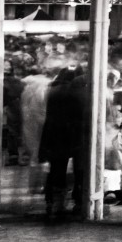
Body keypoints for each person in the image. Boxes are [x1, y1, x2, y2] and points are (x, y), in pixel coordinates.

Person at [41, 66, 91, 221]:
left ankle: (54, 203)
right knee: (81, 170)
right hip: (78, 136)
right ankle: (79, 203)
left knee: (57, 169)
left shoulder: (53, 92)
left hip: (56, 135)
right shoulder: (82, 93)